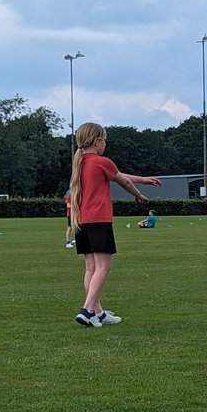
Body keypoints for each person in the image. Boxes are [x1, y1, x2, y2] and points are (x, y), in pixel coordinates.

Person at [69, 122, 162, 328]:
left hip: (82, 220)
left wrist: (142, 179)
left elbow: (118, 175)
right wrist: (139, 195)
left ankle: (98, 312)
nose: (105, 144)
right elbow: (124, 182)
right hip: (99, 220)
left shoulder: (81, 163)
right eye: (104, 140)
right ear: (97, 141)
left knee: (91, 268)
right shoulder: (102, 161)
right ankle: (87, 310)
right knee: (103, 266)